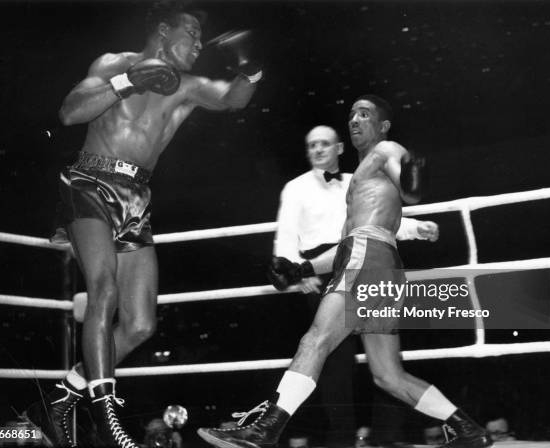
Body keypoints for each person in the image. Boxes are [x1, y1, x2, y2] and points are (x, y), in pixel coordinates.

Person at [22, 1, 261, 447]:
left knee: (139, 324)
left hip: (138, 197)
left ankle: (59, 400)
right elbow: (70, 113)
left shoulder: (187, 86)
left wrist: (251, 66)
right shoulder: (115, 63)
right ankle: (105, 420)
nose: (197, 43)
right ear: (164, 30)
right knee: (104, 289)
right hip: (90, 181)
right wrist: (126, 81)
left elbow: (232, 99)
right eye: (190, 33)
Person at [198, 95, 492, 448]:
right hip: (377, 261)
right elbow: (346, 245)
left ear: (382, 125)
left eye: (364, 114)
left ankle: (265, 431)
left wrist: (412, 180)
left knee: (315, 340)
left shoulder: (385, 151)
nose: (354, 119)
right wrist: (301, 268)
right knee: (387, 375)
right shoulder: (362, 177)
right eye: (351, 114)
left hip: (367, 258)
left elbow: (409, 191)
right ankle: (468, 429)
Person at [274, 125, 439, 445]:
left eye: (324, 144)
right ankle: (341, 441)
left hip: (364, 259)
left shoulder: (357, 180)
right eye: (311, 145)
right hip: (318, 273)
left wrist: (417, 228)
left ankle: (385, 438)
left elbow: (380, 219)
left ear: (338, 148)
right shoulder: (295, 188)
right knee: (333, 362)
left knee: (385, 364)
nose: (318, 150)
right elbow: (285, 235)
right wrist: (296, 270)